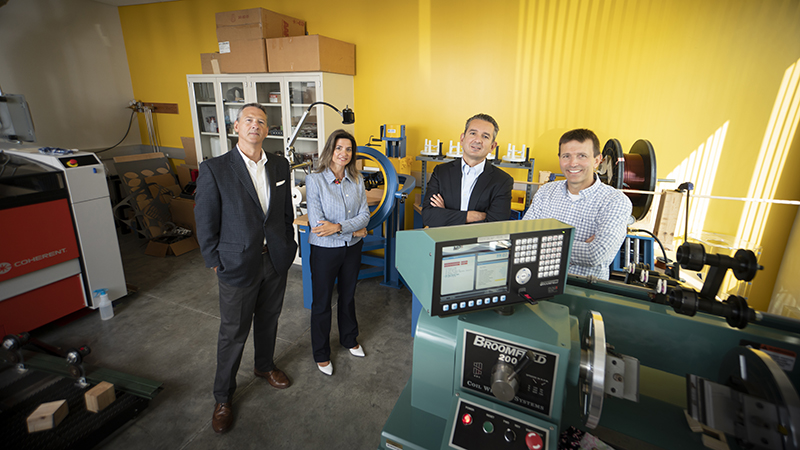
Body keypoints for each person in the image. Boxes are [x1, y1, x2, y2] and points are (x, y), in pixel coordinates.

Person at [194, 103, 298, 434]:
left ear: (267, 130)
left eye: (262, 122)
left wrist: (288, 245)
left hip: (274, 260)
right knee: (233, 332)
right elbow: (205, 217)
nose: (256, 125)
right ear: (236, 127)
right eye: (249, 120)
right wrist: (213, 259)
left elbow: (284, 213)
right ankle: (223, 397)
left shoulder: (280, 166)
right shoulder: (216, 169)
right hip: (236, 263)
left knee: (269, 319)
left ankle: (264, 366)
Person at [523, 128, 631, 280]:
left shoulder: (615, 201)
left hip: (584, 290)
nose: (573, 163)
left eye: (582, 156)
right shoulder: (546, 191)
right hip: (538, 280)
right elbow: (522, 238)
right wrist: (579, 246)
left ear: (597, 160)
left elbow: (595, 255)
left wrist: (541, 242)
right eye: (566, 156)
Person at [304, 130, 369, 376]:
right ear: (330, 150)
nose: (344, 153)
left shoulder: (358, 180)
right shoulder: (315, 180)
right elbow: (318, 226)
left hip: (351, 250)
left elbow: (365, 215)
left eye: (349, 149)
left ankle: (349, 338)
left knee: (348, 296)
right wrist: (356, 231)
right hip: (324, 251)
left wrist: (341, 228)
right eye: (339, 148)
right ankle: (321, 353)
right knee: (321, 302)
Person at [421, 113, 513, 227]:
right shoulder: (441, 172)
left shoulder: (502, 181)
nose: (478, 140)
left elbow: (495, 225)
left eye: (485, 136)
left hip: (477, 244)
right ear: (462, 139)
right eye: (473, 133)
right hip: (443, 241)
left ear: (492, 147)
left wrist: (446, 215)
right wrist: (471, 216)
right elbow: (428, 216)